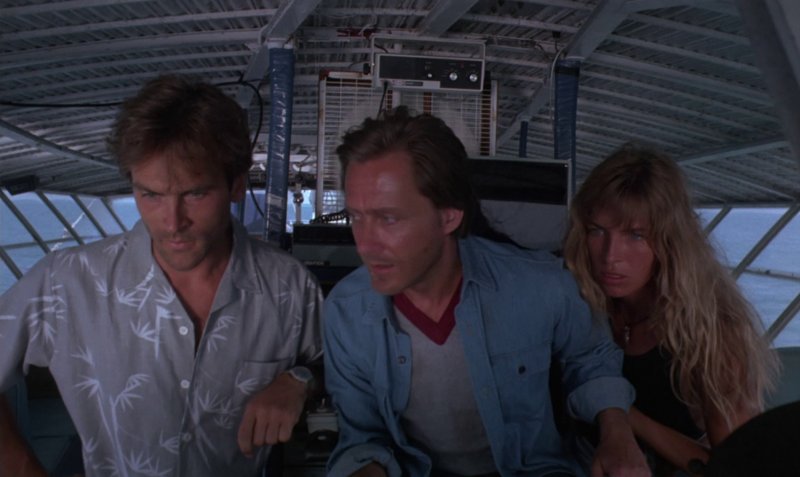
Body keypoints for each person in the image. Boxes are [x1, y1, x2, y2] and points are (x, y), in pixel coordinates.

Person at [0, 74, 323, 476]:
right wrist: (20, 466)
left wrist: (298, 379)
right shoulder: (65, 283)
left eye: (195, 194)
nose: (172, 223)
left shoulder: (290, 287)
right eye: (150, 195)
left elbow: (331, 369)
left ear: (238, 185)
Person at [322, 106, 649, 477]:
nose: (365, 245)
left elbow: (591, 358)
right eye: (356, 217)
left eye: (389, 218)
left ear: (449, 216)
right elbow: (363, 436)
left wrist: (617, 434)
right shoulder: (346, 312)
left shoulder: (540, 284)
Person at [562, 143, 779, 476]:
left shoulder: (714, 331)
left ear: (670, 241)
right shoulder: (575, 298)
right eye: (597, 231)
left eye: (636, 236)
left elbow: (738, 467)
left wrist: (620, 411)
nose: (610, 256)